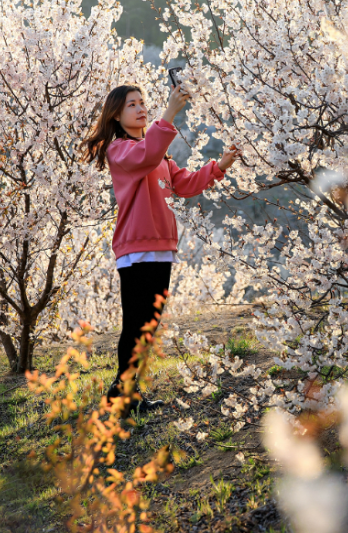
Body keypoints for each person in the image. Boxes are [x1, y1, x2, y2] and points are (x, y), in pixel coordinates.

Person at [84, 83, 241, 414]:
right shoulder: (121, 151)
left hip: (161, 248)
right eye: (132, 105)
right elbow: (147, 154)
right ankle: (123, 393)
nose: (141, 109)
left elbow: (184, 184)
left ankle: (125, 392)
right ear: (116, 114)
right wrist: (169, 112)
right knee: (136, 323)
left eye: (143, 103)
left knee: (150, 325)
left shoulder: (158, 155)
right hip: (136, 249)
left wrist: (221, 165)